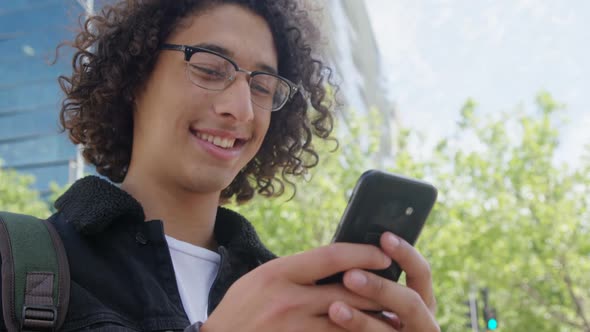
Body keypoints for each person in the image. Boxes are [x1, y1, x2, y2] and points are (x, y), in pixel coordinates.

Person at [1, 0, 439, 331]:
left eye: (264, 86)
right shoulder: (17, 261)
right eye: (210, 69)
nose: (241, 109)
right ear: (134, 78)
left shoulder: (299, 302)